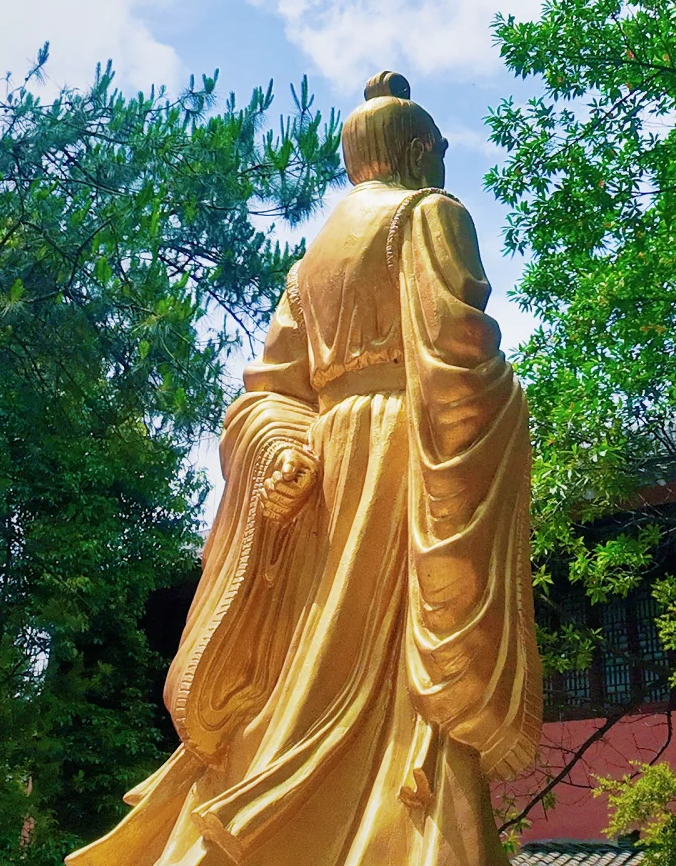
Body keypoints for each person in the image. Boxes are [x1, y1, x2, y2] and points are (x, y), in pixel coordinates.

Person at [67, 71, 541, 866]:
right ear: (419, 151)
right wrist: (509, 405)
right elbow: (460, 358)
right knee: (395, 669)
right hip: (406, 453)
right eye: (443, 152)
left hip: (325, 469)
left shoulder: (313, 257)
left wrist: (287, 450)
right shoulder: (430, 213)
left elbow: (269, 390)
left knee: (316, 659)